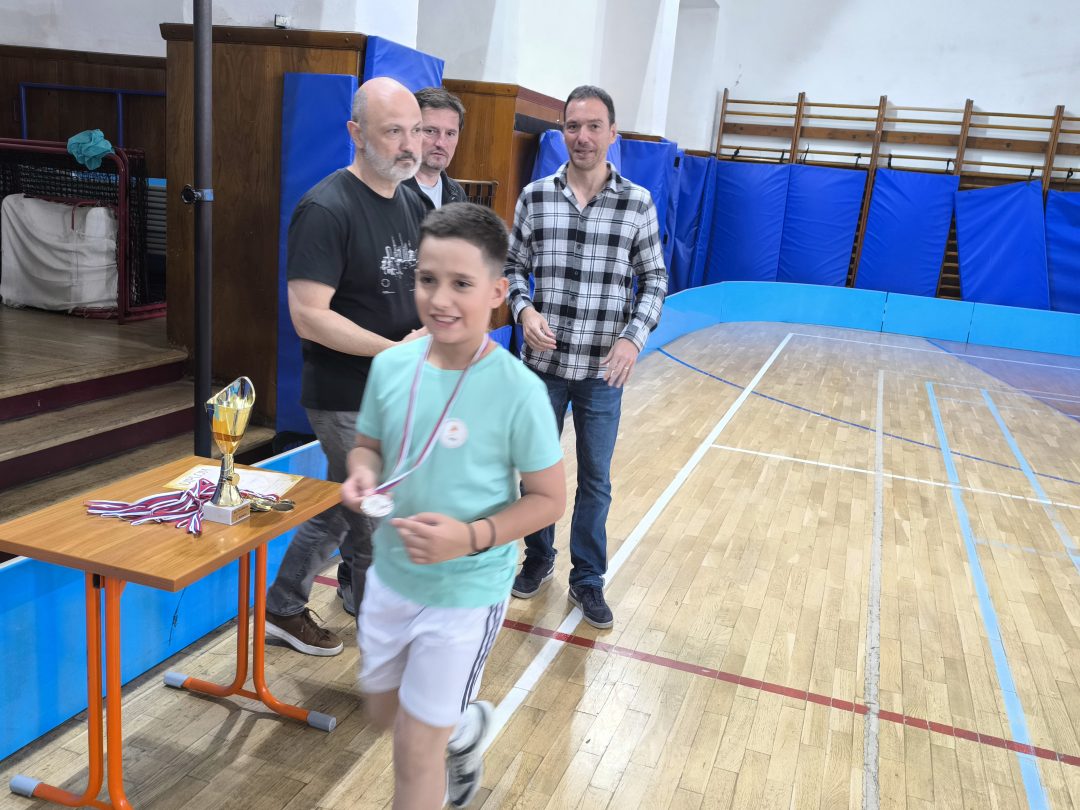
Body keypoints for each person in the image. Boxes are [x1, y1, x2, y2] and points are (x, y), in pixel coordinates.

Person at [342, 203, 565, 809]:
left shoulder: (518, 390)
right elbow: (367, 446)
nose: (440, 299)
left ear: (497, 292)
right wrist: (361, 475)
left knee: (414, 752)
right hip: (390, 578)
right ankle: (464, 729)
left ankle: (445, 735)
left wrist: (468, 538)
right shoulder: (391, 366)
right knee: (383, 712)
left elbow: (550, 499)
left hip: (466, 593)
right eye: (427, 279)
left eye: (461, 284)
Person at [264, 76, 428, 657]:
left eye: (416, 131)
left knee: (344, 505)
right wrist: (395, 351)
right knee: (378, 519)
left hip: (396, 389)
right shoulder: (326, 208)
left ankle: (283, 605)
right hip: (345, 395)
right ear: (356, 133)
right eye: (393, 132)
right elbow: (309, 316)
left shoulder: (412, 200)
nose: (410, 145)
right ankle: (390, 644)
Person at [504, 85, 667, 629]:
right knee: (536, 470)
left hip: (603, 370)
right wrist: (524, 310)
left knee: (596, 479)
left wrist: (632, 338)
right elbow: (511, 269)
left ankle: (588, 578)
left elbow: (655, 280)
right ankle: (538, 557)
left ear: (612, 133)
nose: (583, 136)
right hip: (542, 370)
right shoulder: (535, 197)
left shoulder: (636, 202)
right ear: (562, 131)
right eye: (573, 126)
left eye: (594, 126)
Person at [402, 86, 468, 210]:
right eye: (430, 131)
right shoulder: (389, 190)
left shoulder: (457, 194)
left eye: (450, 134)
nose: (441, 143)